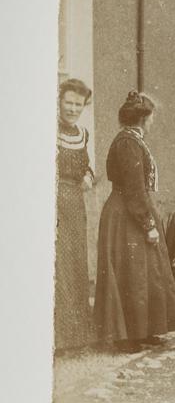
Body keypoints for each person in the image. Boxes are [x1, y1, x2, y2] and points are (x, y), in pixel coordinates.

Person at [93, 91, 175, 352]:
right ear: (143, 118)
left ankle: (144, 331)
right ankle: (127, 337)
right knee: (131, 273)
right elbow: (134, 188)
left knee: (144, 272)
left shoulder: (132, 140)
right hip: (126, 214)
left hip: (131, 210)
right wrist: (149, 225)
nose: (153, 121)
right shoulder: (127, 143)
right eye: (151, 116)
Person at [54, 78, 97, 352]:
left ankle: (76, 337)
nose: (72, 109)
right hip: (53, 203)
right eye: (68, 103)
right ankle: (58, 338)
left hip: (75, 207)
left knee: (76, 264)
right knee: (58, 267)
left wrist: (88, 176)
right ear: (59, 101)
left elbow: (86, 166)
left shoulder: (82, 133)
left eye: (77, 105)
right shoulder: (47, 130)